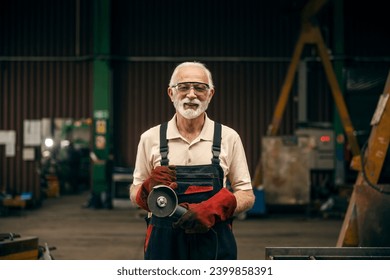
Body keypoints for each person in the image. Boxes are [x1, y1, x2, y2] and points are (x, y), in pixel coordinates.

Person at [129, 61, 255, 260]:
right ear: (171, 93)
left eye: (199, 88)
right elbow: (134, 191)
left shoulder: (229, 138)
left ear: (210, 94)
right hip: (163, 246)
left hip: (213, 242)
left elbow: (246, 194)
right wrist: (146, 188)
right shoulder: (150, 138)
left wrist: (215, 208)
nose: (191, 94)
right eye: (183, 87)